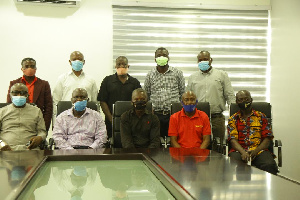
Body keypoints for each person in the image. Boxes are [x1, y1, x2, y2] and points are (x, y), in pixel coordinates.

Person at [227, 90, 278, 175]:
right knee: (234, 165)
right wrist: (243, 152)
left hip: (259, 150)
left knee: (269, 165)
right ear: (236, 102)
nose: (244, 102)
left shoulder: (261, 117)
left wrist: (256, 151)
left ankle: (266, 187)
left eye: (246, 99)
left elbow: (267, 138)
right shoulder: (233, 119)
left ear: (251, 100)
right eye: (240, 100)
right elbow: (232, 140)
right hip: (239, 150)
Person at [144, 47, 185, 138]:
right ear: (155, 59)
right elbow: (147, 95)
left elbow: (182, 93)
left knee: (174, 141)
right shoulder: (150, 75)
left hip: (174, 115)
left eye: (164, 55)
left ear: (168, 58)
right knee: (156, 141)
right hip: (156, 115)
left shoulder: (177, 73)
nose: (162, 57)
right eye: (159, 56)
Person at [98, 56, 141, 138]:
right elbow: (102, 101)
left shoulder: (135, 82)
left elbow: (139, 101)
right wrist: (111, 118)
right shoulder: (107, 81)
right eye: (119, 64)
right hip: (111, 120)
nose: (121, 67)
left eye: (124, 64)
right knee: (113, 143)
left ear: (128, 66)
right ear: (115, 66)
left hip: (131, 121)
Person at [6, 57, 53, 131]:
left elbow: (48, 107)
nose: (30, 68)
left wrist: (44, 128)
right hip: (18, 120)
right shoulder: (14, 84)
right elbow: (9, 104)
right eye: (27, 66)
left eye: (32, 66)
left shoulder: (44, 84)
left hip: (38, 121)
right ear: (22, 68)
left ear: (36, 68)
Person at [0, 83, 47, 151]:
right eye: (15, 93)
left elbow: (42, 131)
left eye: (23, 93)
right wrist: (1, 144)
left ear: (27, 95)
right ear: (10, 95)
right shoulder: (2, 111)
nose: (19, 95)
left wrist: (40, 137)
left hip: (30, 149)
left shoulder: (36, 111)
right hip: (6, 149)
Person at [53, 51, 98, 116]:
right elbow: (56, 101)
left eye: (80, 59)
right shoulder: (62, 79)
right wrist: (57, 118)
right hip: (66, 116)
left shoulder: (91, 80)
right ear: (70, 62)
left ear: (84, 62)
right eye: (74, 59)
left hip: (87, 117)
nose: (77, 61)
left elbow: (94, 101)